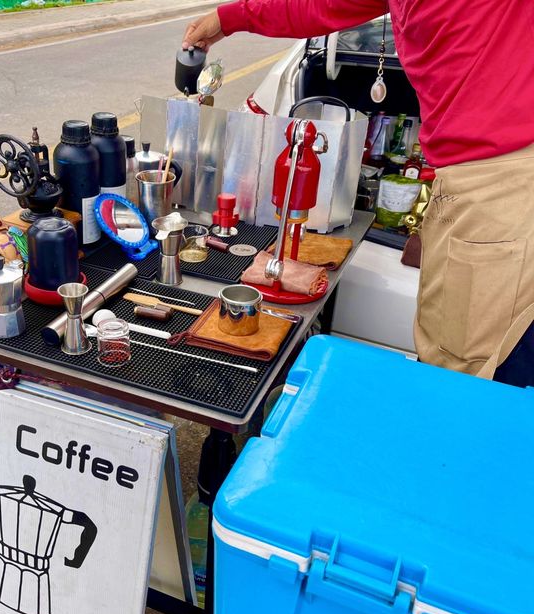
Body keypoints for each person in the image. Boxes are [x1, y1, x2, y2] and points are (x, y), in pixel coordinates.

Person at [182, 1, 534, 384]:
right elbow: (323, 6)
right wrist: (229, 18)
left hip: (503, 180)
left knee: (466, 370)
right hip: (473, 176)